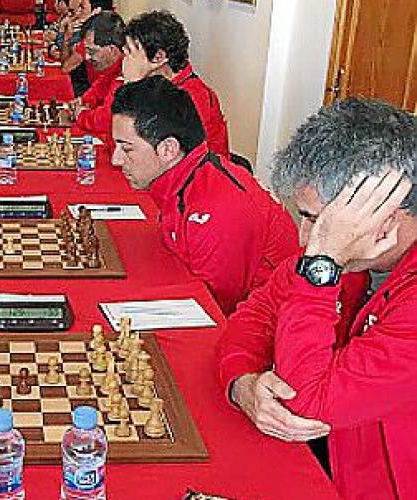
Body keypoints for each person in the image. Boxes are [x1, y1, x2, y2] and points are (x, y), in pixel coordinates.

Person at [217, 98, 417, 500]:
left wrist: (323, 264)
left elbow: (305, 402)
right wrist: (243, 384)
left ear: (385, 219)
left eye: (317, 221)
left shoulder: (328, 258)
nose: (306, 238)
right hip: (327, 458)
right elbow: (251, 319)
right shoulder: (341, 255)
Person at [111, 76, 299, 315]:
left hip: (267, 323)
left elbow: (212, 311)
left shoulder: (215, 210)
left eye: (126, 149)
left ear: (168, 149)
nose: (116, 160)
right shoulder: (185, 176)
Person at [123, 11, 230, 159]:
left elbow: (148, 150)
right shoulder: (156, 85)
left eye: (130, 52)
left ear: (158, 57)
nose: (125, 60)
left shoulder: (193, 95)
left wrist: (133, 86)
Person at [72, 11, 124, 147]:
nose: (87, 57)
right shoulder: (113, 68)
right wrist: (83, 102)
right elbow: (96, 91)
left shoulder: (127, 71)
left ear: (112, 50)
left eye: (92, 51)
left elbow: (105, 120)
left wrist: (81, 115)